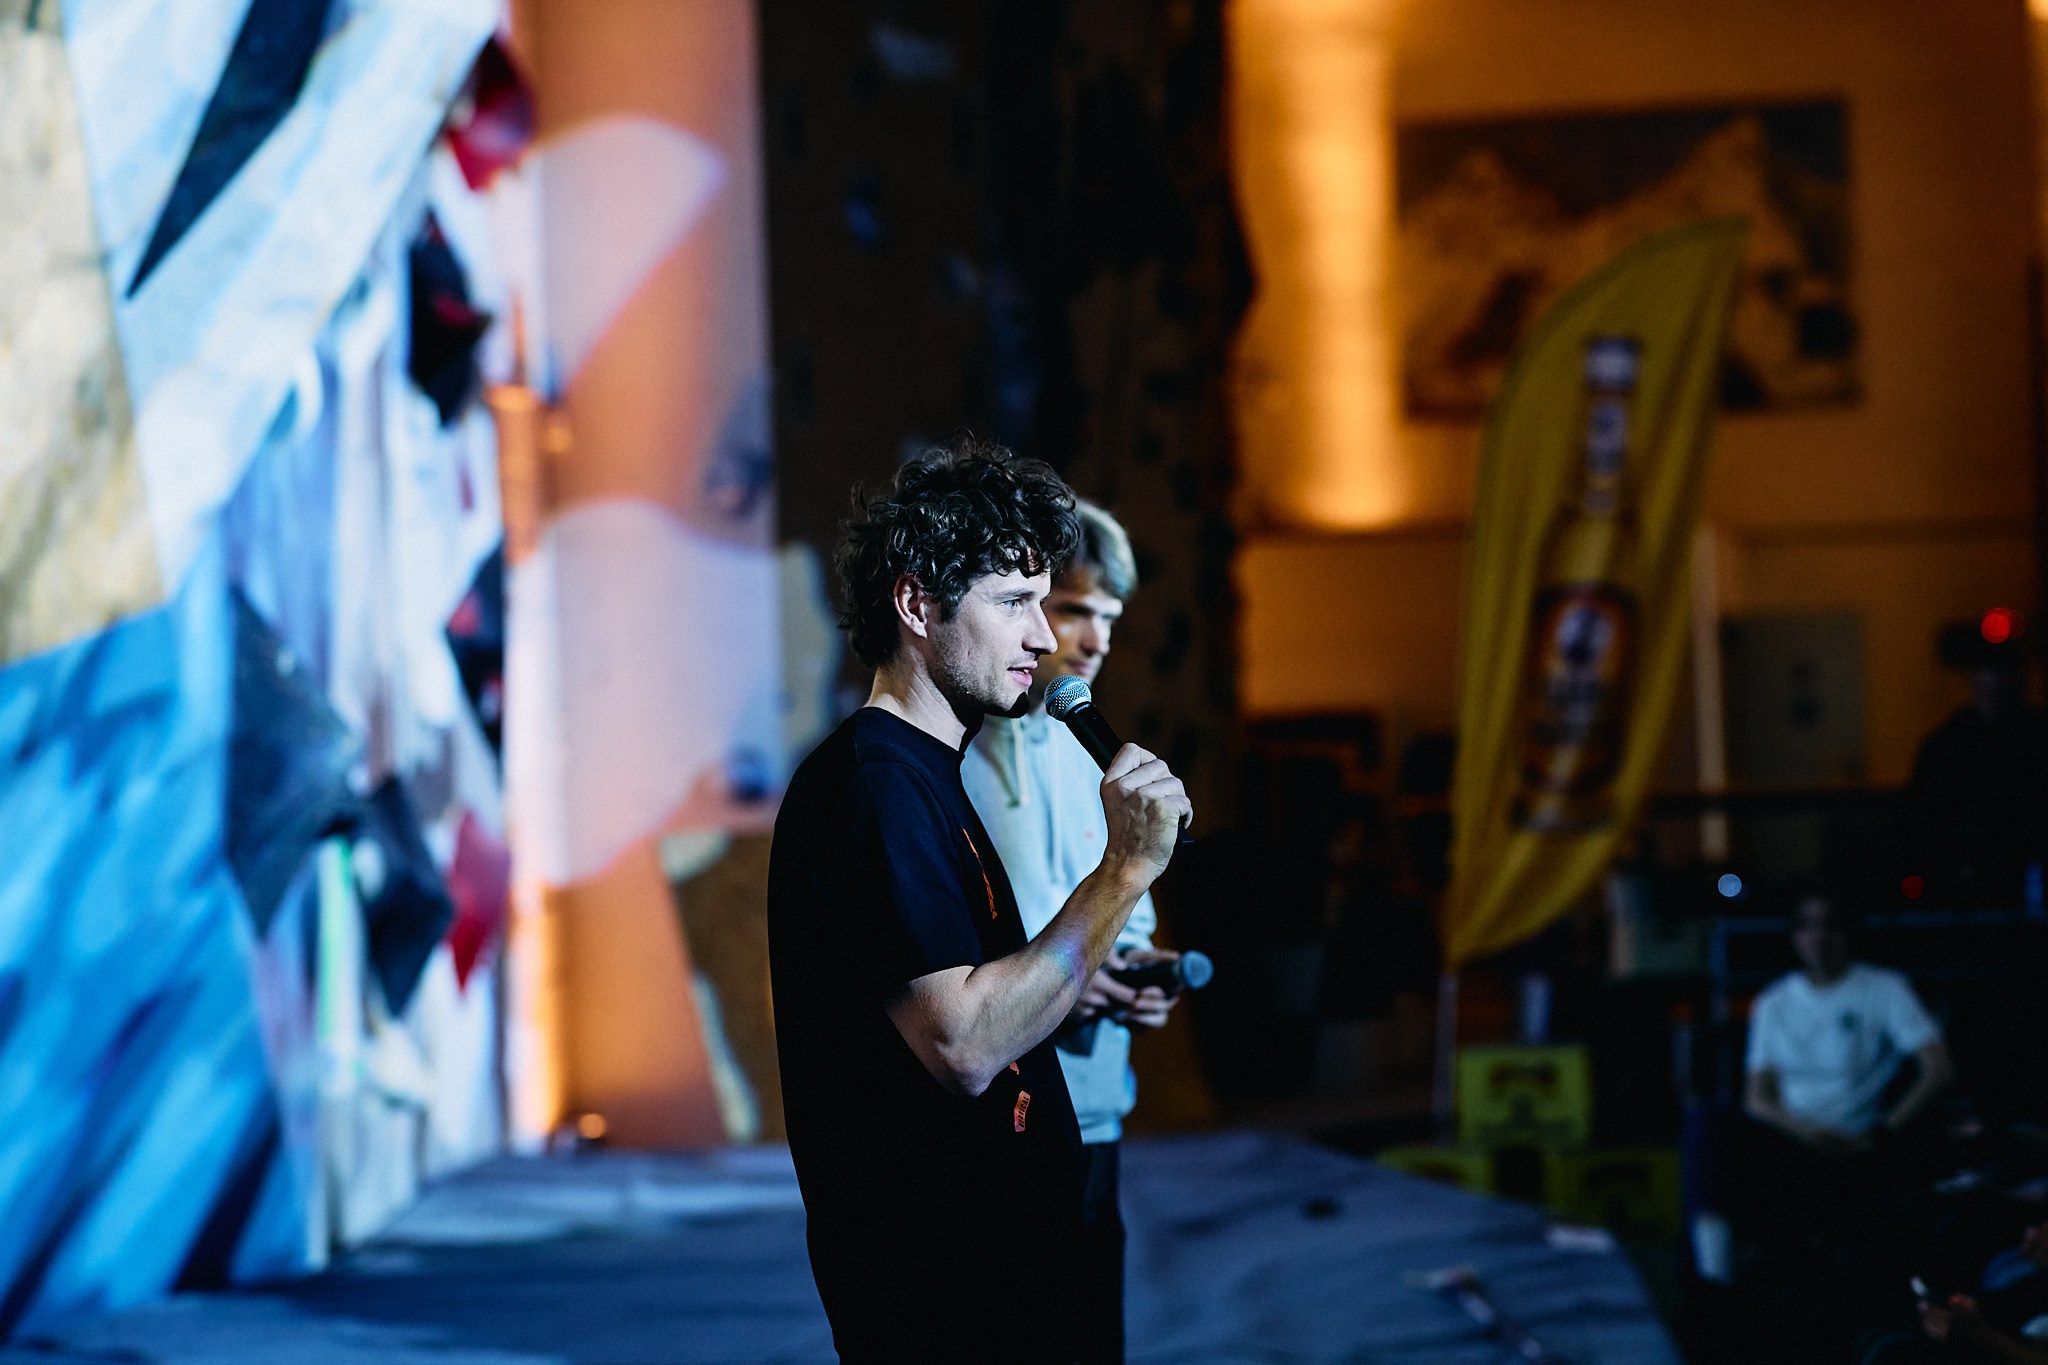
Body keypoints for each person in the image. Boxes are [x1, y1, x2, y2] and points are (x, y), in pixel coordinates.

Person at [767, 442, 1192, 1364]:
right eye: (1014, 603)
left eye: (1046, 604)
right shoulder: (874, 786)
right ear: (917, 604)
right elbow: (961, 1040)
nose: (1043, 639)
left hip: (993, 1272)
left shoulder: (924, 774)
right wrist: (1120, 871)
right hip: (945, 1295)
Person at [959, 500, 1178, 1365]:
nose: (1092, 639)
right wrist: (1068, 976)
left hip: (1095, 1114)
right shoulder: (951, 756)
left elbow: (1130, 910)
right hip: (1001, 1122)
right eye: (1074, 608)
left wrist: (1136, 969)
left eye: (1108, 619)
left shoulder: (1093, 750)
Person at [1745, 892, 1953, 1154]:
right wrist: (1807, 1135)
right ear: (1793, 935)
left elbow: (1938, 1069)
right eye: (1806, 925)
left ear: (1847, 931)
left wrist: (1883, 1134)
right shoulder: (1772, 1002)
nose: (1818, 937)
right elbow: (1757, 1097)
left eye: (1829, 925)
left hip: (1867, 1141)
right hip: (1792, 1140)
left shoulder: (1885, 989)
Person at [1906, 621, 2048, 907]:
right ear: (1974, 678)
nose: (1995, 681)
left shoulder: (2037, 737)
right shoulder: (1947, 744)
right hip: (1964, 881)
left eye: (2003, 671)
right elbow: (1922, 818)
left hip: (2028, 876)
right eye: (1987, 671)